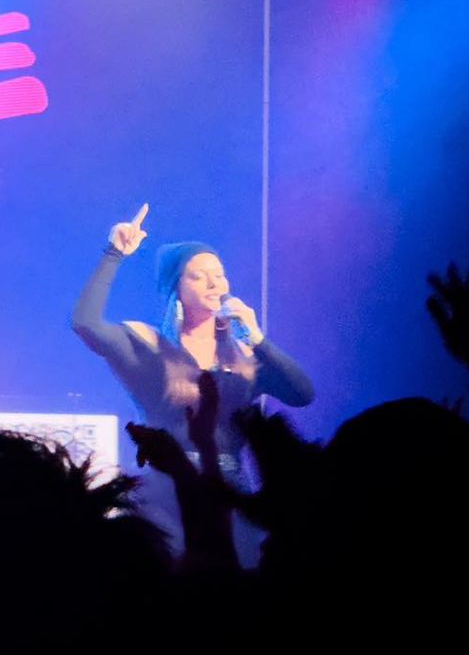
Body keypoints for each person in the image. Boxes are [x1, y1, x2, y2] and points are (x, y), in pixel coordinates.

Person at [69, 204, 314, 534]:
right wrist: (114, 253)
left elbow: (302, 394)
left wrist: (257, 339)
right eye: (199, 276)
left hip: (230, 493)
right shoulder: (149, 346)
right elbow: (85, 324)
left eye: (220, 275)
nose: (215, 284)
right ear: (177, 288)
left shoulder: (242, 355)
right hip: (167, 492)